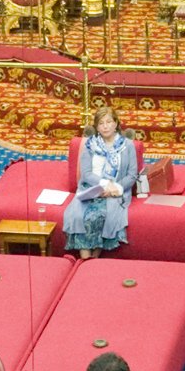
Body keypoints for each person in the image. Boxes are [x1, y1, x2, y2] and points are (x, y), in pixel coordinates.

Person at [65, 106, 141, 258]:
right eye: (101, 123)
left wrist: (115, 188)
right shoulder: (90, 145)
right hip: (91, 188)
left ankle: (93, 259)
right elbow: (86, 174)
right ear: (96, 127)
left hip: (115, 191)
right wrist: (104, 185)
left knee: (101, 215)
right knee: (78, 216)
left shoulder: (128, 146)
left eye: (108, 122)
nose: (105, 126)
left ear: (115, 124)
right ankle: (86, 260)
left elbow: (132, 175)